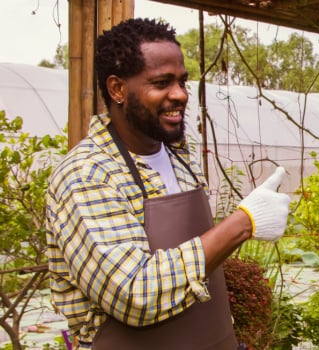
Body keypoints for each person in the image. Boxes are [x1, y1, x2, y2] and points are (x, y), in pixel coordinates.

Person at [45, 18, 291, 350]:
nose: (180, 95)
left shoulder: (179, 156)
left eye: (182, 81)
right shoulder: (88, 175)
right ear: (118, 89)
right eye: (162, 83)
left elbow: (200, 263)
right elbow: (134, 294)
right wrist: (242, 223)